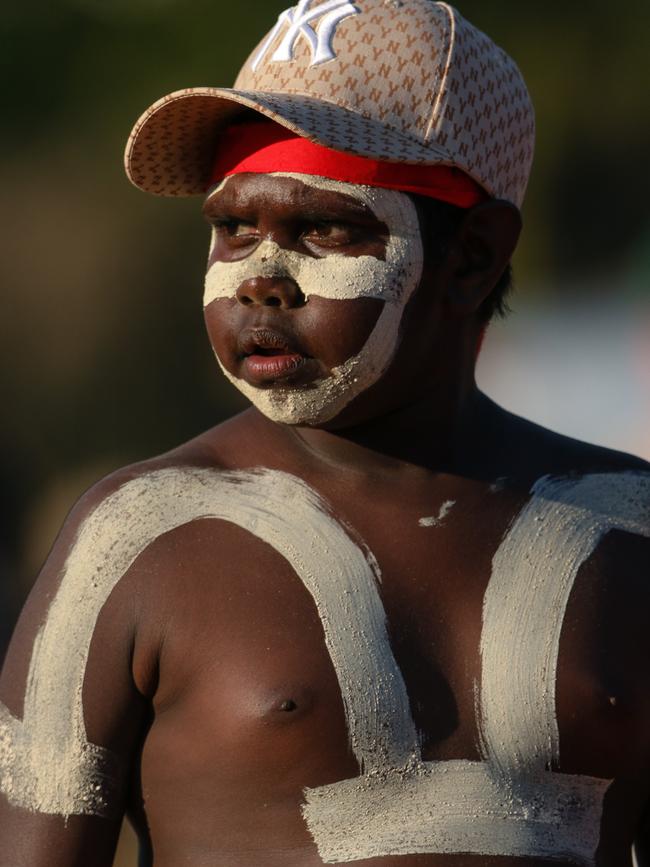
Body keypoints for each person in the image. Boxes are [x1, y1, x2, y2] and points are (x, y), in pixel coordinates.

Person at [1, 1, 649, 865]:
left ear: (473, 255)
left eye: (325, 227)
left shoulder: (627, 533)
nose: (262, 279)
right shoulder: (138, 538)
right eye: (234, 227)